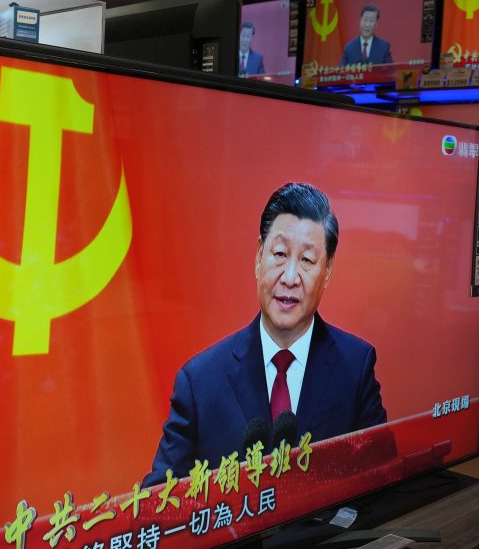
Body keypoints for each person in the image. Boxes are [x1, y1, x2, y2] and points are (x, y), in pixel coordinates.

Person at [143, 183, 387, 486]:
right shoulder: (200, 382)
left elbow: (382, 484)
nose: (289, 277)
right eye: (280, 254)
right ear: (259, 258)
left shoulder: (355, 368)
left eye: (308, 261)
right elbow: (159, 504)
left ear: (327, 272)